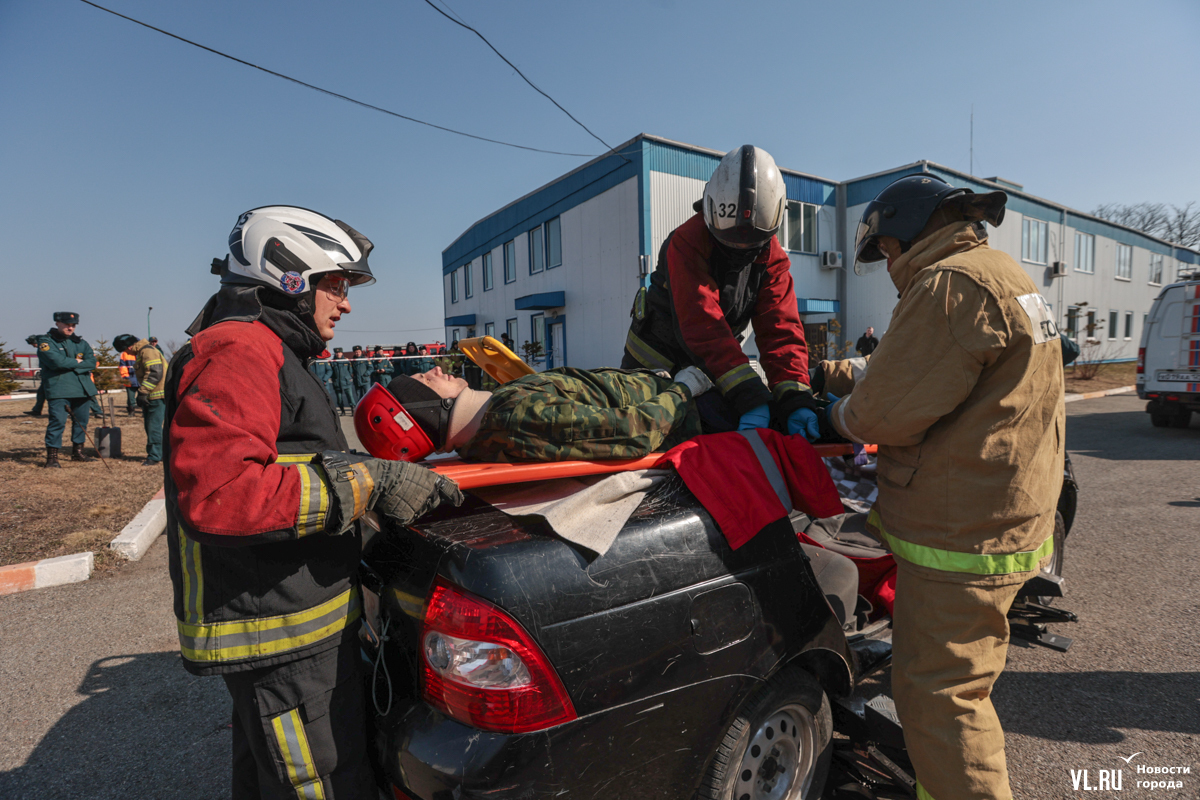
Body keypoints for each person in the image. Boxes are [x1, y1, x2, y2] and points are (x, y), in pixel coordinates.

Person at [164, 205, 463, 798]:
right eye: (336, 285)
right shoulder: (240, 350)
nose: (346, 303)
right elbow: (223, 496)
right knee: (324, 783)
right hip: (281, 638)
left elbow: (294, 463)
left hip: (288, 624)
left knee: (268, 781)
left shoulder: (271, 351)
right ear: (289, 274)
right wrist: (368, 483)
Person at [825, 175, 1064, 800]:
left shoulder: (948, 285)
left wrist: (830, 414)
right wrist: (839, 373)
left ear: (906, 231)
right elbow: (927, 369)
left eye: (886, 251)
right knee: (960, 682)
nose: (887, 265)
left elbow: (883, 411)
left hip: (963, 534)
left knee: (941, 696)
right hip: (1006, 515)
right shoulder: (1000, 273)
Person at [621, 145, 818, 440]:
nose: (739, 249)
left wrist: (795, 399)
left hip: (709, 366)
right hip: (652, 368)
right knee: (644, 440)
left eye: (751, 244)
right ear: (710, 208)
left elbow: (781, 331)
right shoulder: (686, 242)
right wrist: (748, 395)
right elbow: (704, 324)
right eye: (729, 241)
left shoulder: (772, 259)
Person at [357, 363, 713, 463]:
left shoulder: (492, 421)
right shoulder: (516, 415)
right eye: (424, 379)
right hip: (693, 414)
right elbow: (633, 430)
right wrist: (683, 388)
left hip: (671, 396)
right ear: (425, 412)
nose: (435, 370)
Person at [36, 312, 97, 467]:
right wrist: (77, 363)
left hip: (82, 389)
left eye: (73, 325)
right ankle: (52, 457)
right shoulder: (46, 342)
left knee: (81, 422)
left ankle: (78, 452)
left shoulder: (80, 343)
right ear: (57, 323)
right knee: (57, 422)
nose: (70, 328)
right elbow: (55, 362)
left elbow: (92, 362)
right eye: (67, 325)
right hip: (59, 388)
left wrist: (70, 363)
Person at [113, 334, 167, 465]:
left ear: (129, 346)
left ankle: (155, 456)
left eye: (125, 350)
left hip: (156, 396)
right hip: (153, 395)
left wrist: (143, 392)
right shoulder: (145, 350)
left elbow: (154, 372)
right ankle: (159, 453)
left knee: (153, 426)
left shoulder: (147, 351)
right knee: (151, 426)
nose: (126, 353)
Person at [22, 334, 47, 417]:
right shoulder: (41, 349)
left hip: (50, 375)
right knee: (41, 393)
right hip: (45, 375)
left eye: (33, 344)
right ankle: (37, 410)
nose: (32, 346)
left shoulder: (44, 348)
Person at [330, 346, 356, 415]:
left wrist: (349, 378)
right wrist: (333, 379)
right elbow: (331, 372)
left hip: (346, 382)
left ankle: (353, 409)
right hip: (337, 383)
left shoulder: (346, 361)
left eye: (339, 353)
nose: (338, 354)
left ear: (342, 353)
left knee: (350, 397)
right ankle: (342, 411)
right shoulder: (333, 362)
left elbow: (350, 370)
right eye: (336, 353)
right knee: (339, 398)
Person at [118, 343, 140, 415]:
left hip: (140, 379)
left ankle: (144, 411)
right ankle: (131, 411)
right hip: (130, 379)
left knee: (143, 396)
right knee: (131, 398)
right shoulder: (124, 354)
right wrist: (126, 377)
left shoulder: (140, 352)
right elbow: (122, 366)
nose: (130, 347)